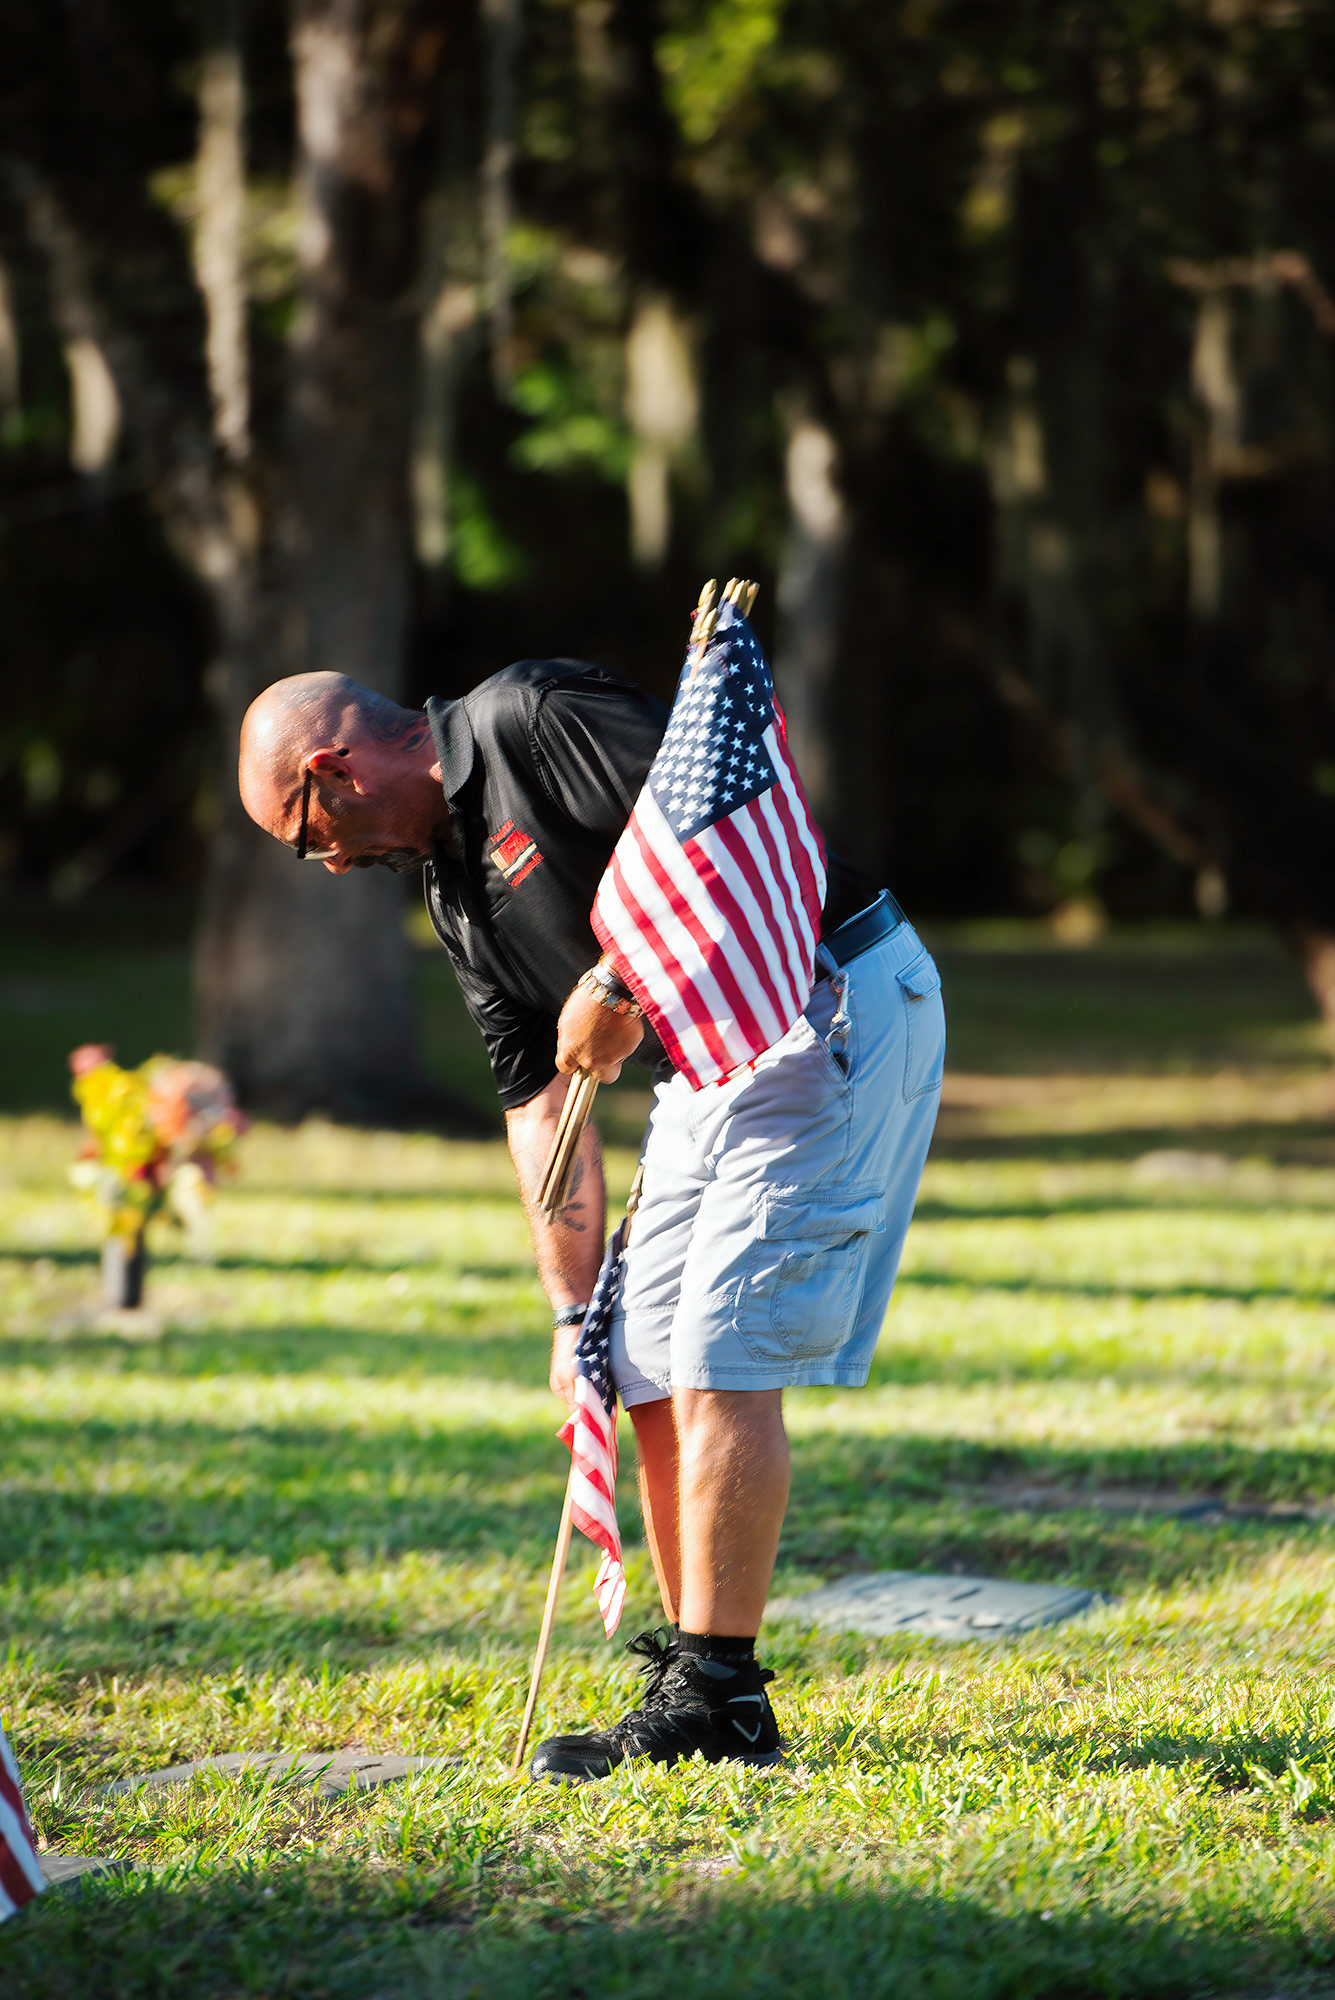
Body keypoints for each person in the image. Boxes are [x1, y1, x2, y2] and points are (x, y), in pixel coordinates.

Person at [238, 659, 944, 1781]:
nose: (325, 860)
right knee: (637, 1352)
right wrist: (572, 1312)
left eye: (304, 832)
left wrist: (618, 983)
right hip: (709, 1065)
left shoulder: (530, 717)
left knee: (719, 1347)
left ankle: (722, 1694)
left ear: (335, 767)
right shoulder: (456, 895)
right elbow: (538, 1105)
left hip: (821, 1000)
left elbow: (726, 824)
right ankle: (700, 1676)